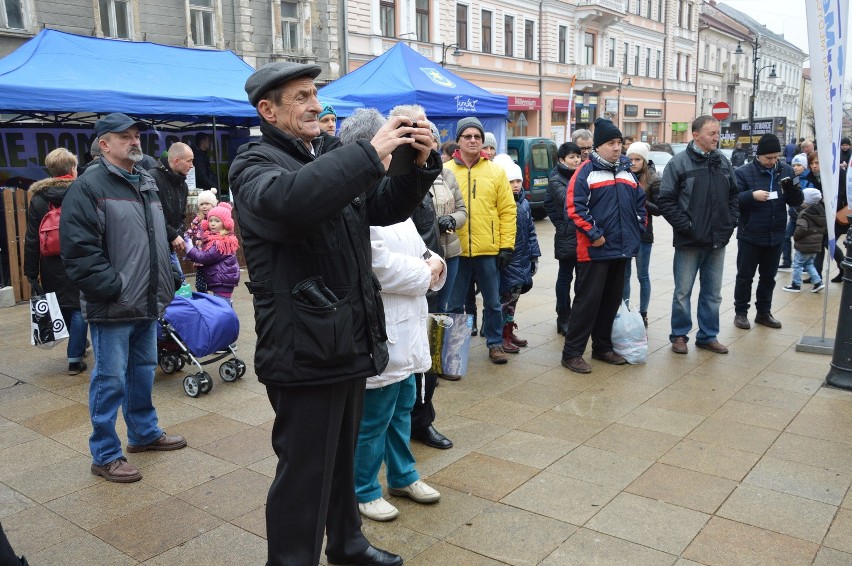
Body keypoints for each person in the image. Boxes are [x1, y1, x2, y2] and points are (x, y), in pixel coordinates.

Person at [228, 61, 441, 566]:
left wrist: (416, 161)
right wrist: (368, 153)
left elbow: (382, 208)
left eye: (315, 95)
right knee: (305, 471)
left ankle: (347, 544)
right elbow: (290, 204)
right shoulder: (255, 164)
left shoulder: (322, 154)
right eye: (300, 96)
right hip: (303, 343)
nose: (315, 104)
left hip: (344, 336)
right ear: (268, 110)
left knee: (340, 461)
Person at [59, 112, 187, 483]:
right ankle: (105, 454)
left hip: (146, 299)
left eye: (136, 135)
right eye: (125, 136)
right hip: (114, 302)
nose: (135, 141)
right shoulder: (88, 187)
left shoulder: (144, 181)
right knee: (110, 379)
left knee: (142, 372)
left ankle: (144, 434)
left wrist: (165, 280)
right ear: (104, 144)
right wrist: (112, 287)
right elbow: (79, 251)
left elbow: (155, 238)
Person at [560, 118, 645, 374]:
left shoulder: (627, 172)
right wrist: (594, 234)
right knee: (587, 303)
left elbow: (640, 205)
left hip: (621, 250)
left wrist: (637, 229)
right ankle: (572, 353)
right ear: (598, 147)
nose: (617, 147)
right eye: (611, 143)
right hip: (594, 251)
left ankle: (602, 347)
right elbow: (574, 209)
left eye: (619, 142)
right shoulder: (586, 171)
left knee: (610, 302)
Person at [658, 115, 739, 355]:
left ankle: (707, 336)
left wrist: (730, 222)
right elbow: (666, 200)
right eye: (712, 133)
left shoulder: (723, 162)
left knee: (713, 294)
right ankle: (679, 335)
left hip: (717, 240)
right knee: (683, 292)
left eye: (718, 133)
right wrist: (687, 226)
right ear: (695, 136)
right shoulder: (679, 163)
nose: (717, 138)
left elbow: (734, 195)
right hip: (689, 240)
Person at [445, 116, 517, 364]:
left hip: (488, 249)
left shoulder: (495, 171)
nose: (474, 140)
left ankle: (495, 344)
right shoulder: (446, 171)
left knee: (493, 302)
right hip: (456, 249)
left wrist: (507, 245)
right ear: (459, 141)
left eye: (478, 136)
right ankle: (454, 349)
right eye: (468, 136)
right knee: (454, 304)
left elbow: (508, 211)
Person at [24, 148, 89, 375]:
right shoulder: (82, 191)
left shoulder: (40, 198)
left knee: (63, 305)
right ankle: (75, 356)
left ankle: (78, 346)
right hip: (80, 257)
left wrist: (31, 271)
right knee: (80, 307)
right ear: (73, 169)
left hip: (50, 262)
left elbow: (32, 236)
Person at [733, 133, 803, 330]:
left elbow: (796, 201)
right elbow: (734, 199)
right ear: (758, 155)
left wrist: (792, 190)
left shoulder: (787, 171)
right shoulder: (744, 172)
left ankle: (764, 312)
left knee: (768, 277)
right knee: (745, 276)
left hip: (775, 233)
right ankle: (741, 313)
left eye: (776, 157)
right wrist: (751, 195)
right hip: (750, 233)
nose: (773, 162)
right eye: (768, 158)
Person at [498, 161, 540, 353]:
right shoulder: (502, 203)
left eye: (518, 181)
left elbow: (531, 230)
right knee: (504, 301)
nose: (516, 185)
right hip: (507, 261)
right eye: (511, 181)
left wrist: (534, 256)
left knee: (514, 299)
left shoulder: (523, 202)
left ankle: (509, 330)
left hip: (522, 259)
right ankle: (501, 335)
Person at [622, 141, 661, 327]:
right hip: (625, 233)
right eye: (630, 159)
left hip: (644, 233)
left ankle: (644, 312)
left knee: (643, 275)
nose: (633, 163)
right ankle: (625, 310)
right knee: (625, 275)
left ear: (644, 160)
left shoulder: (653, 179)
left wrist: (640, 200)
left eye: (637, 159)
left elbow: (660, 209)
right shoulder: (623, 175)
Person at [545, 141, 581, 336]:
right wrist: (561, 224)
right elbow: (558, 202)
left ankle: (577, 315)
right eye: (571, 157)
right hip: (567, 234)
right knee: (565, 276)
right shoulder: (556, 178)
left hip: (583, 235)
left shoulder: (583, 174)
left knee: (582, 278)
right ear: (561, 160)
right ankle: (563, 315)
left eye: (578, 156)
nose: (576, 160)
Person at [148, 141, 194, 282]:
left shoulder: (183, 185)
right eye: (189, 161)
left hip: (170, 247)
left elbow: (181, 216)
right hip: (153, 248)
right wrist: (172, 234)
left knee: (178, 286)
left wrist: (177, 234)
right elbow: (151, 213)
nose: (192, 166)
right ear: (176, 160)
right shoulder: (152, 178)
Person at [184, 203, 240, 302]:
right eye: (210, 220)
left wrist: (190, 249)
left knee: (222, 311)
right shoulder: (216, 238)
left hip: (222, 282)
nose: (212, 223)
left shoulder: (221, 242)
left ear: (226, 223)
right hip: (221, 280)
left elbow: (204, 258)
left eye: (217, 221)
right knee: (223, 308)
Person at [783, 188, 826, 293]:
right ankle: (817, 282)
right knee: (809, 264)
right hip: (815, 245)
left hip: (804, 245)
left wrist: (796, 236)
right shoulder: (820, 211)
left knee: (797, 264)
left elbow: (802, 229)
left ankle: (796, 284)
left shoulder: (804, 213)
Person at [779, 153, 810, 271]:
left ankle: (806, 266)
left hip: (805, 216)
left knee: (804, 240)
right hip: (793, 215)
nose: (795, 167)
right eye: (794, 165)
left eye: (799, 165)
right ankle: (786, 261)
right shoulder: (792, 178)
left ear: (805, 167)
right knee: (786, 237)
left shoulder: (808, 178)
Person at [185, 189, 218, 292]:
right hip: (200, 258)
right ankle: (204, 303)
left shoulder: (216, 219)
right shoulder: (197, 219)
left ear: (213, 205)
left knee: (215, 284)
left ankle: (219, 303)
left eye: (207, 204)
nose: (204, 206)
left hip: (213, 258)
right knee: (200, 286)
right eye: (202, 204)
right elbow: (190, 232)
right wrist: (185, 238)